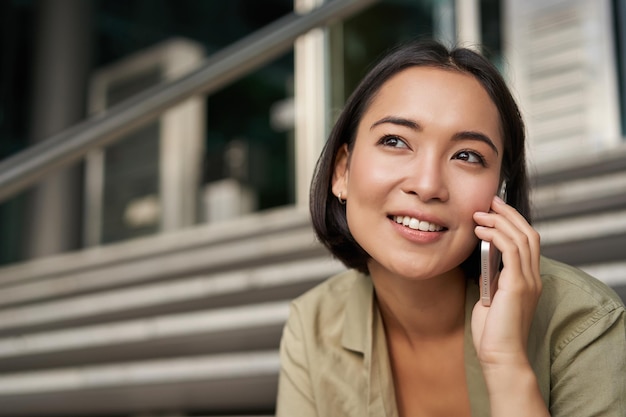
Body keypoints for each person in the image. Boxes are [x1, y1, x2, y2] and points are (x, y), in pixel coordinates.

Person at [275, 39, 626, 416]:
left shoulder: (583, 320)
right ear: (341, 171)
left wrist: (506, 364)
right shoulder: (313, 325)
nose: (427, 185)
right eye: (395, 141)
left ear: (499, 192)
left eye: (467, 156)